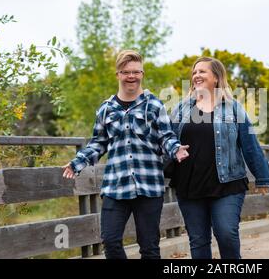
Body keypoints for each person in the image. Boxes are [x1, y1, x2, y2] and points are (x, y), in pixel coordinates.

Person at [62, 50, 189, 259]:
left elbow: (166, 136)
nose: (132, 76)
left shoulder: (155, 105)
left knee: (149, 247)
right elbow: (98, 143)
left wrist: (175, 149)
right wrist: (78, 162)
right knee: (110, 241)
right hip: (115, 186)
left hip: (148, 186)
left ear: (142, 73)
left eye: (136, 72)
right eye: (126, 72)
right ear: (118, 74)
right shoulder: (106, 109)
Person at [168, 56, 269, 259]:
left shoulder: (233, 109)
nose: (196, 75)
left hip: (227, 184)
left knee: (226, 234)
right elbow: (166, 140)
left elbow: (250, 145)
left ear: (216, 78)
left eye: (202, 71)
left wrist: (262, 177)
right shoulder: (181, 109)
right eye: (194, 72)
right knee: (198, 241)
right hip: (189, 185)